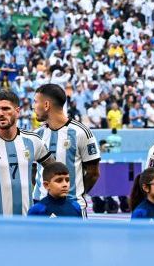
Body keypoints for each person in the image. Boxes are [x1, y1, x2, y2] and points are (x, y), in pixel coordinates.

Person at [0, 90, 53, 215]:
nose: (0, 114)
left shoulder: (32, 140)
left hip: (26, 223)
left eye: (6, 109)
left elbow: (53, 170)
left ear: (17, 111)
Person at [32, 83, 101, 216]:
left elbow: (93, 173)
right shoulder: (37, 134)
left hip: (72, 208)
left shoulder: (81, 132)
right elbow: (34, 171)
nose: (33, 107)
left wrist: (75, 195)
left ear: (46, 105)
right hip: (41, 206)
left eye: (35, 102)